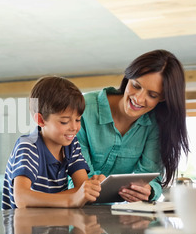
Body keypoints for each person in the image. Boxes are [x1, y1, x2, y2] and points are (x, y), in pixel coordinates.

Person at [77, 49, 189, 202]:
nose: (139, 98)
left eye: (152, 95)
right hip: (67, 207)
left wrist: (147, 191)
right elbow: (74, 178)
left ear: (163, 98)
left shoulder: (155, 124)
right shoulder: (84, 109)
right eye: (136, 86)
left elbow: (152, 177)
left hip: (115, 215)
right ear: (128, 78)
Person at [1, 76, 103, 210]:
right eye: (65, 121)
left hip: (54, 223)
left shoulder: (71, 145)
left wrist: (93, 188)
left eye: (78, 120)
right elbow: (22, 199)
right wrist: (71, 199)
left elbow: (81, 189)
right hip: (24, 226)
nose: (74, 127)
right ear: (41, 120)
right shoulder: (28, 146)